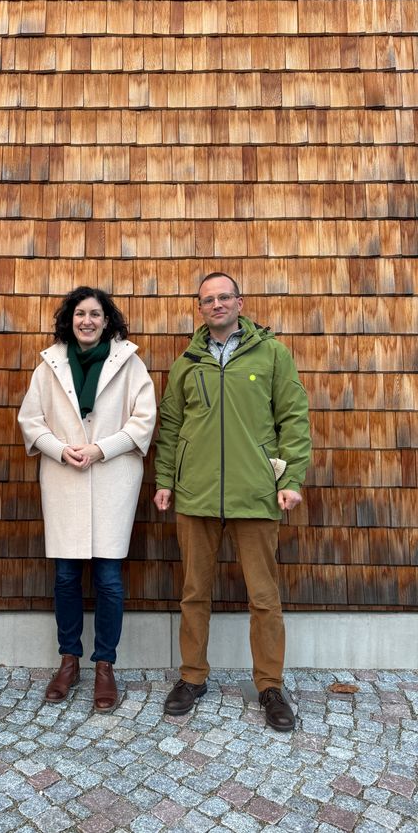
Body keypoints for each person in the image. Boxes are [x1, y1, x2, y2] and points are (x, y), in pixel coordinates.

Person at [154, 272, 311, 731]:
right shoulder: (188, 361)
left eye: (225, 297)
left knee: (264, 597)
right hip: (196, 495)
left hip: (256, 493)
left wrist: (292, 477)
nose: (217, 304)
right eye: (209, 299)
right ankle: (192, 677)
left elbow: (293, 417)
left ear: (240, 303)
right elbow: (170, 425)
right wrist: (166, 480)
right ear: (199, 308)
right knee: (193, 593)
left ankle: (270, 685)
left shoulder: (272, 354)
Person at [18, 287, 156, 712]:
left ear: (107, 320)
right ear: (70, 319)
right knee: (65, 578)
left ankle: (105, 666)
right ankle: (69, 660)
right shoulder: (49, 364)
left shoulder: (130, 363)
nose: (87, 321)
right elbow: (30, 419)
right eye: (80, 314)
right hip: (64, 477)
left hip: (112, 476)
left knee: (109, 580)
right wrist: (61, 450)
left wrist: (102, 449)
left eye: (96, 314)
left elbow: (144, 418)